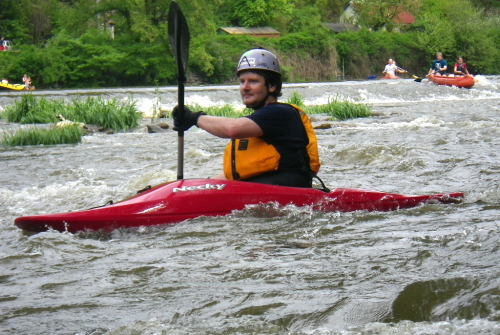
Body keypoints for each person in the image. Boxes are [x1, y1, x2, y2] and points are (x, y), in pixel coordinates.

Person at [172, 48, 321, 188]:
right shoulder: (255, 123)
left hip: (288, 196)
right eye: (242, 81)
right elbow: (233, 175)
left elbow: (233, 129)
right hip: (259, 198)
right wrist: (197, 186)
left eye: (253, 81)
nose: (245, 87)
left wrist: (194, 118)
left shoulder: (280, 113)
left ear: (272, 86)